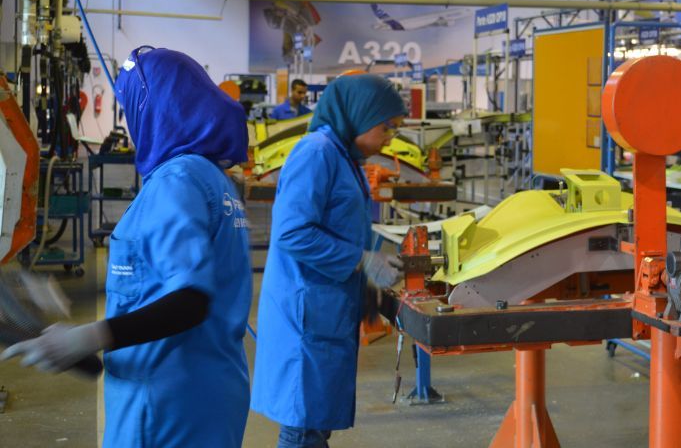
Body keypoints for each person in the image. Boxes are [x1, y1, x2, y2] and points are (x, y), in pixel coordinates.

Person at [1, 47, 253, 448]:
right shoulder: (210, 177)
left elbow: (190, 300)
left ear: (155, 109)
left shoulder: (176, 181)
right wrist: (70, 294)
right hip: (209, 391)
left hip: (165, 405)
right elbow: (152, 275)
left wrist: (88, 337)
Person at [252, 73, 407, 448]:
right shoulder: (317, 152)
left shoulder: (345, 156)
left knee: (314, 423)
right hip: (305, 311)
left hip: (327, 305)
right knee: (303, 427)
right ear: (360, 114)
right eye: (386, 127)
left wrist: (366, 290)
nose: (390, 137)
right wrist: (361, 260)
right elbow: (292, 232)